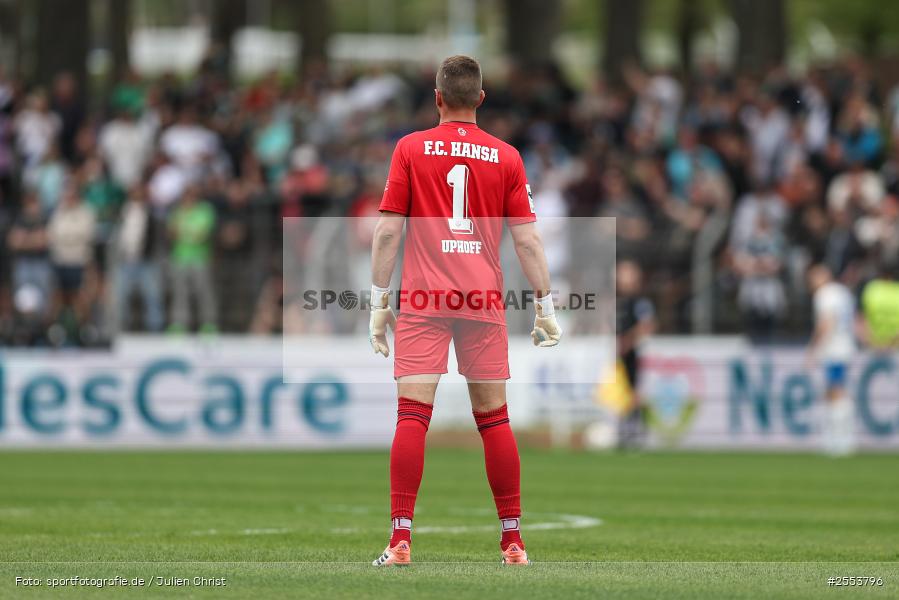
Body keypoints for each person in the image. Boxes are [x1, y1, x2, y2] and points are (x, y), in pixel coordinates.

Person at [368, 56, 560, 567]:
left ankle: (400, 540)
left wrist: (379, 300)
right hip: (482, 297)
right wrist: (544, 302)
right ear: (481, 98)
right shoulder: (507, 156)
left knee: (413, 415)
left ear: (437, 98)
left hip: (425, 298)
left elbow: (387, 231)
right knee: (494, 420)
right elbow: (527, 240)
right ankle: (513, 542)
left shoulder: (411, 148)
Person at [806, 265, 856, 456]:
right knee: (833, 391)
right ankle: (838, 437)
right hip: (845, 345)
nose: (811, 283)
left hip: (834, 348)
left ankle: (841, 440)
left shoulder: (825, 295)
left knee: (836, 392)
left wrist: (813, 349)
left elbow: (826, 322)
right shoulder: (843, 292)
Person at [615, 260, 656, 448]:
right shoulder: (617, 301)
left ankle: (637, 431)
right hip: (619, 355)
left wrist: (628, 341)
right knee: (621, 393)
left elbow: (647, 325)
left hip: (634, 353)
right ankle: (624, 431)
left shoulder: (640, 302)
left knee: (634, 393)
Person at [167, 185, 217, 333]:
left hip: (200, 258)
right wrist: (189, 234)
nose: (188, 199)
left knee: (204, 292)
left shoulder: (205, 211)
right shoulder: (177, 211)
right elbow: (172, 233)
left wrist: (184, 233)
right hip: (180, 257)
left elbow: (202, 235)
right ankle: (179, 325)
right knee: (180, 293)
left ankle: (208, 324)